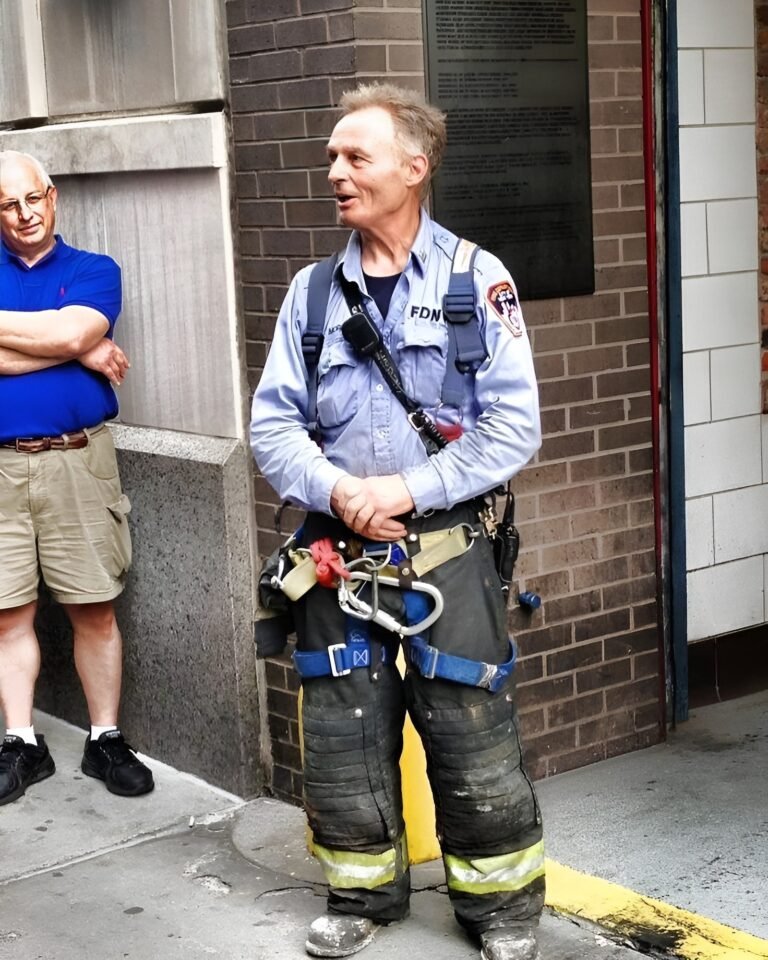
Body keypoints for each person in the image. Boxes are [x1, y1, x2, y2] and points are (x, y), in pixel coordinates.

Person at [250, 84, 543, 960]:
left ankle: (499, 911)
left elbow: (513, 426)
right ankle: (361, 897)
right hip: (336, 562)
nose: (334, 172)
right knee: (342, 733)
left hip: (447, 559)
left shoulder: (476, 280)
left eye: (355, 156)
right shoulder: (310, 296)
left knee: (470, 734)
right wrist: (340, 493)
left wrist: (405, 490)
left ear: (414, 169)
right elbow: (272, 424)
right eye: (333, 157)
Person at [0, 150, 153, 805]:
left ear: (53, 197)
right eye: (8, 204)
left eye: (33, 199)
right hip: (1, 466)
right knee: (8, 615)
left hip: (78, 461)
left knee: (94, 606)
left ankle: (105, 738)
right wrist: (67, 346)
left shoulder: (95, 270)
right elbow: (66, 339)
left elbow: (76, 331)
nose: (24, 214)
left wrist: (75, 340)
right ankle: (20, 744)